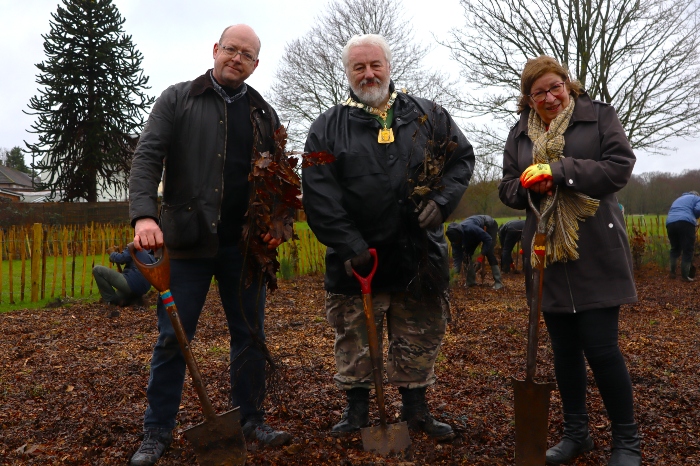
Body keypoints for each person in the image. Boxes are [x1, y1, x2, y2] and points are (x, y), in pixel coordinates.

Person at [127, 24, 293, 466]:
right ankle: (157, 431)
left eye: (247, 55)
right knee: (172, 341)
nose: (236, 59)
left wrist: (279, 222)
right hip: (186, 244)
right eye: (231, 50)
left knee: (250, 336)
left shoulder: (263, 113)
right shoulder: (178, 98)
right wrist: (144, 213)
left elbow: (282, 182)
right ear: (215, 50)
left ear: (256, 65)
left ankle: (251, 420)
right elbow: (147, 156)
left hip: (244, 249)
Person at [302, 34, 474, 441]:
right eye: (358, 67)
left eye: (375, 65)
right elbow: (319, 193)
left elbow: (461, 160)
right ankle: (357, 411)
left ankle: (416, 411)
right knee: (356, 336)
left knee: (419, 333)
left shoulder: (428, 116)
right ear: (347, 73)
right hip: (357, 260)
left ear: (389, 66)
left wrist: (443, 201)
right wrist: (350, 245)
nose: (368, 74)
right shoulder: (326, 128)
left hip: (418, 254)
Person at [498, 56, 641, 466]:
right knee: (563, 350)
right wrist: (530, 183)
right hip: (546, 252)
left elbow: (619, 168)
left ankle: (626, 441)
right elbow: (507, 187)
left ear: (568, 85)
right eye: (538, 92)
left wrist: (559, 170)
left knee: (601, 348)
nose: (549, 97)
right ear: (528, 99)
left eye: (555, 87)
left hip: (594, 246)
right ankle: (576, 432)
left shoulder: (598, 117)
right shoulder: (519, 134)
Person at [445, 215, 503, 289]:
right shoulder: (455, 240)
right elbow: (457, 259)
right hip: (474, 235)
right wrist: (455, 276)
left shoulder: (470, 229)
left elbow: (488, 239)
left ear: (460, 235)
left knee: (489, 252)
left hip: (489, 225)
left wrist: (480, 258)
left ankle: (499, 282)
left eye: (458, 241)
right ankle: (471, 282)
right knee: (466, 255)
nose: (457, 243)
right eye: (455, 242)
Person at [666, 191, 700, 281]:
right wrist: (695, 218)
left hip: (670, 223)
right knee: (688, 249)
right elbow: (698, 210)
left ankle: (672, 273)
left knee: (675, 248)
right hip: (685, 223)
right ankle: (685, 276)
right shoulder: (697, 198)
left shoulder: (678, 199)